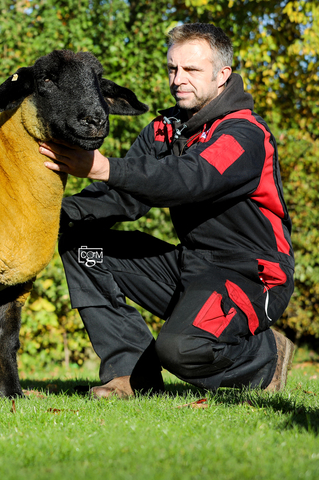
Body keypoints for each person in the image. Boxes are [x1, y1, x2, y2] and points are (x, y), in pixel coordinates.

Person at [40, 23, 295, 398]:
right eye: (172, 69)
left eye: (191, 70)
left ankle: (266, 355)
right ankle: (131, 374)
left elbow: (192, 179)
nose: (178, 80)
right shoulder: (165, 129)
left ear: (222, 75)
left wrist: (101, 165)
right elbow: (124, 198)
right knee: (82, 249)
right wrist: (47, 213)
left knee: (180, 349)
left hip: (250, 274)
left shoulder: (244, 134)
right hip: (192, 265)